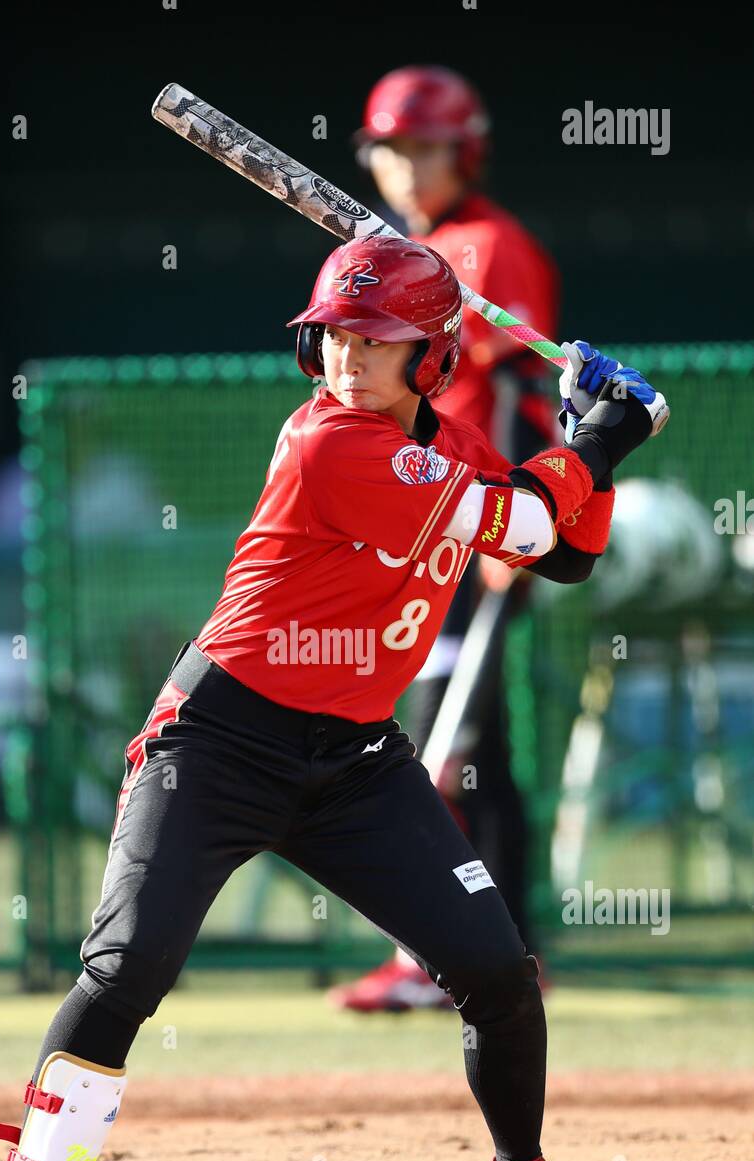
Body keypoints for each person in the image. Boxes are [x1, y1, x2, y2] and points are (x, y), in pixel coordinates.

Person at [0, 234, 662, 1161]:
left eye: (374, 341)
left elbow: (558, 552)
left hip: (356, 762)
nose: (346, 358)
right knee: (126, 969)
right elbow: (512, 511)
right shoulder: (323, 442)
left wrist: (578, 439)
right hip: (216, 743)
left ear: (431, 358)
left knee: (496, 968)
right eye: (333, 335)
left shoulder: (453, 445)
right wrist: (606, 435)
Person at [331, 66, 560, 1012]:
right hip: (412, 532)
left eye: (424, 148)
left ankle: (455, 958)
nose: (407, 168)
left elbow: (515, 392)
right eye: (391, 150)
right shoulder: (403, 249)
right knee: (446, 743)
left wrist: (513, 528)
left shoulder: (490, 245)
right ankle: (489, 955)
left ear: (463, 152)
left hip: (473, 527)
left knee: (448, 745)